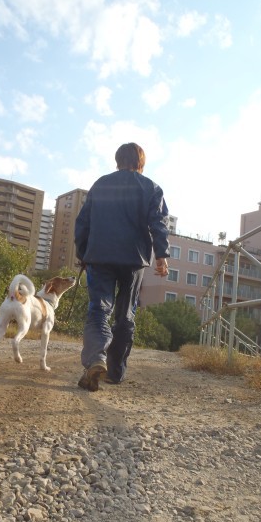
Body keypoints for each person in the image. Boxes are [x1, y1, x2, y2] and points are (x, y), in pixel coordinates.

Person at [74, 142, 170, 392]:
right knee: (125, 315)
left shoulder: (100, 184)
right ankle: (115, 372)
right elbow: (158, 223)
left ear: (117, 160)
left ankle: (96, 358)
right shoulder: (151, 187)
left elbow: (83, 222)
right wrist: (161, 254)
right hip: (134, 259)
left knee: (98, 310)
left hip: (99, 257)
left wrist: (82, 253)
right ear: (141, 163)